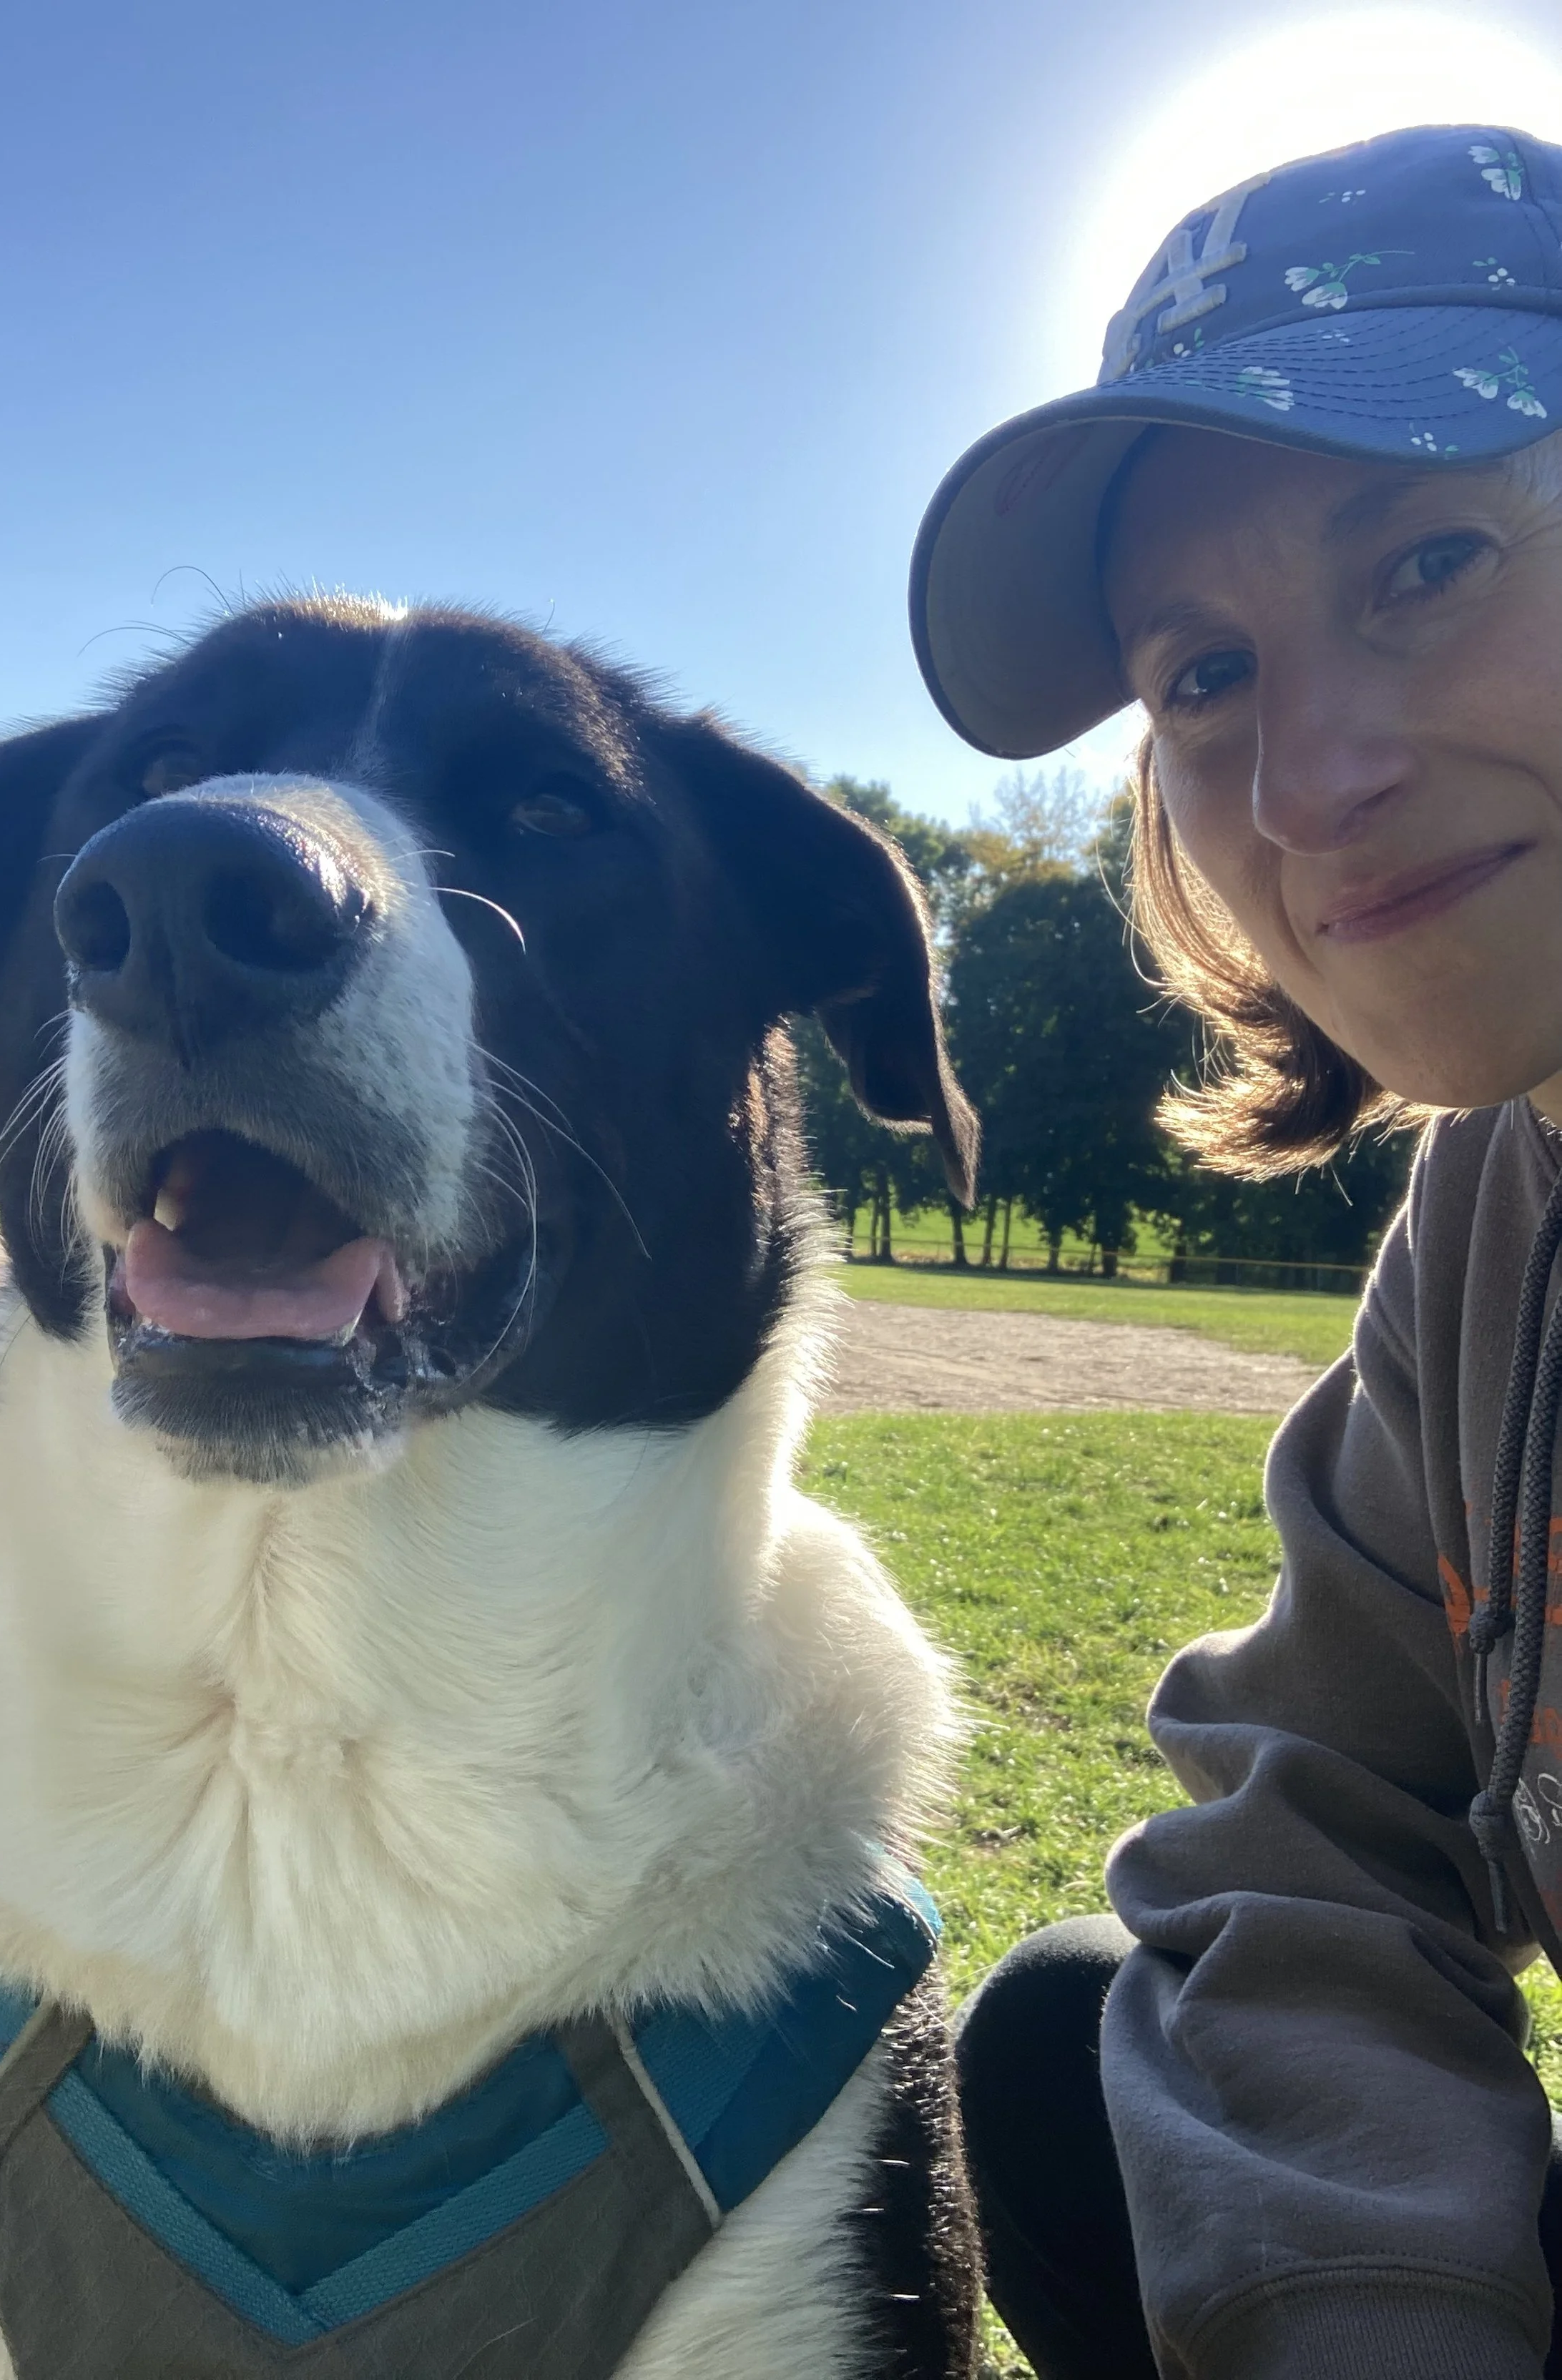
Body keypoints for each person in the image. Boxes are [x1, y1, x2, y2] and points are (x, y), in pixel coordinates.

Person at [911, 122, 1562, 2380]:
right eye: (1202, 674)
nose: (1303, 782)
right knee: (1066, 2050)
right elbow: (1315, 1825)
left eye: (1427, 559)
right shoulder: (1495, 1211)